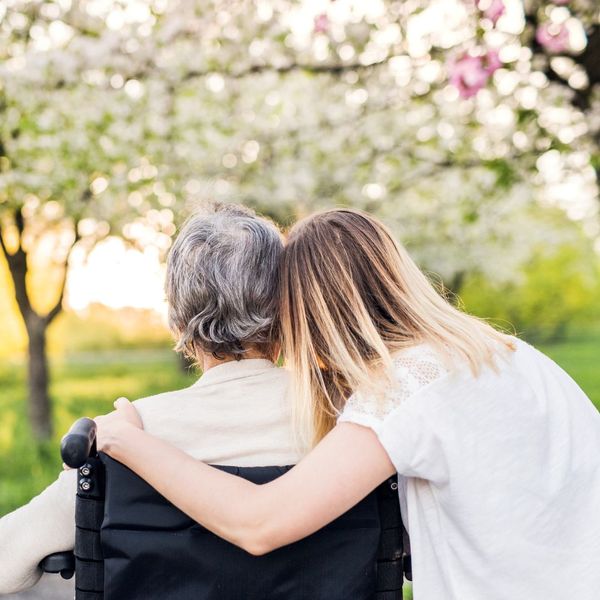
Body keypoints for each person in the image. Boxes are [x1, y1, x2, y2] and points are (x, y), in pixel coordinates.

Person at [98, 208, 600, 600]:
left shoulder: (407, 387)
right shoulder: (500, 352)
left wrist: (128, 440)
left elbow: (259, 523)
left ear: (315, 314)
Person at [0, 203, 305, 594]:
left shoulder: (122, 436)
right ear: (288, 311)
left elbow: (8, 559)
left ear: (177, 321)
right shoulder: (352, 429)